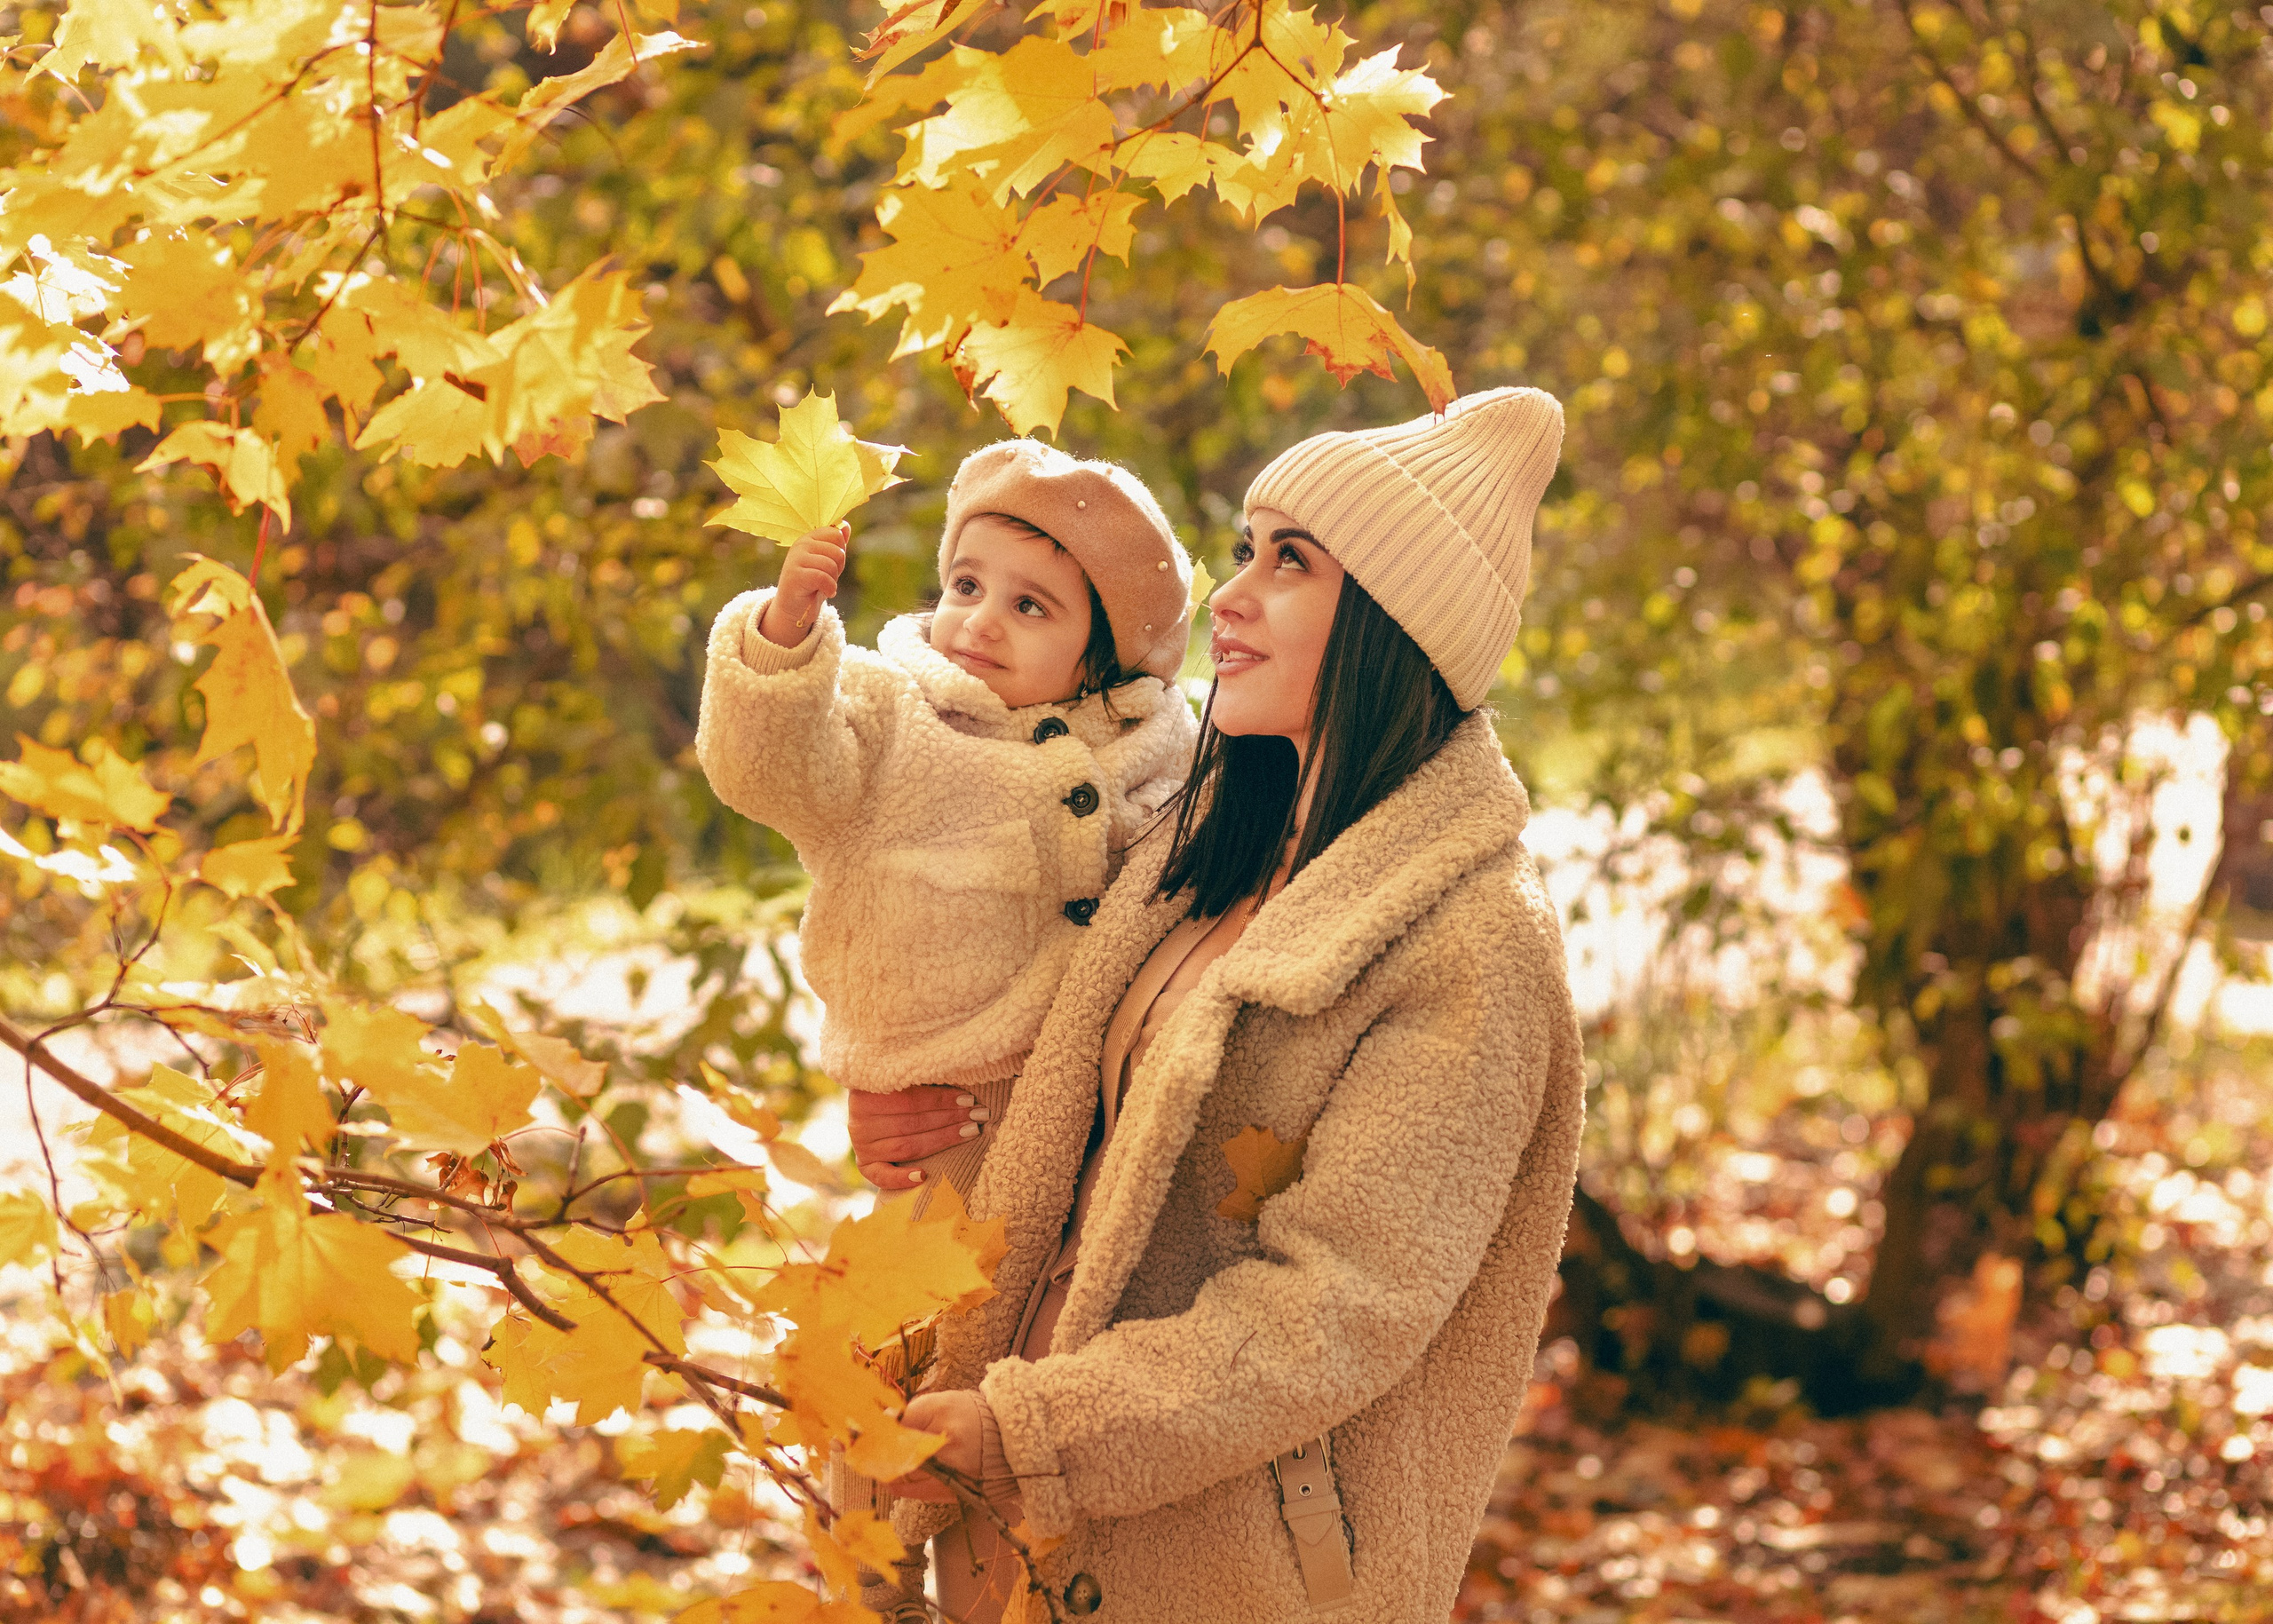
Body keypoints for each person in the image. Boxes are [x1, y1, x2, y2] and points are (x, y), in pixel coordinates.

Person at [859, 386, 1588, 1623]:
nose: (1232, 597)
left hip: (1224, 1570)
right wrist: (906, 1117)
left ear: (1391, 623)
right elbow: (1048, 1103)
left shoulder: (1473, 944)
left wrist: (1033, 1431)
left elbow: (1339, 1308)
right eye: (1246, 551)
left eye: (1289, 563)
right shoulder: (1192, 842)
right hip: (1009, 1515)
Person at [695, 438, 1199, 1201]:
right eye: (966, 585)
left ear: (1107, 656)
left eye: (1029, 605)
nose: (980, 622)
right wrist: (782, 638)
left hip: (1115, 1100)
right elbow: (764, 771)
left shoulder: (1157, 741)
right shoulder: (892, 712)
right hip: (947, 1111)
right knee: (943, 1301)